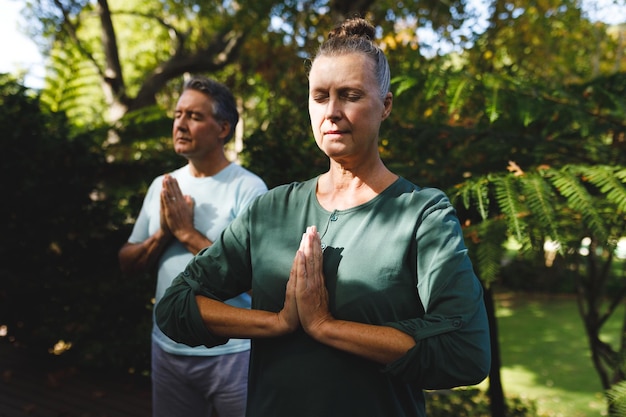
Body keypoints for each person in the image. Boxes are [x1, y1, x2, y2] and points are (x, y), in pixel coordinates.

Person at [155, 18, 490, 417]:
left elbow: (465, 351)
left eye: (350, 95)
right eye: (319, 96)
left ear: (385, 105)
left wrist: (325, 326)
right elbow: (175, 306)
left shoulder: (422, 215)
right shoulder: (270, 210)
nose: (331, 112)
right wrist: (276, 323)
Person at [119, 76, 267, 417]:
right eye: (177, 114)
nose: (181, 125)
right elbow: (127, 262)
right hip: (168, 348)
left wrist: (186, 233)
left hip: (233, 354)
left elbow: (255, 278)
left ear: (223, 128)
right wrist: (162, 235)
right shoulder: (163, 184)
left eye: (195, 117)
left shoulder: (248, 189)